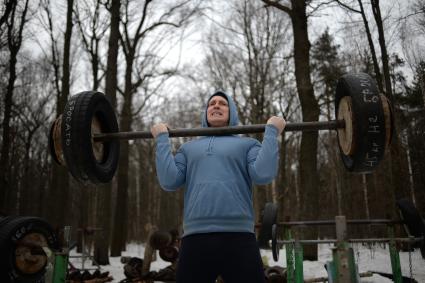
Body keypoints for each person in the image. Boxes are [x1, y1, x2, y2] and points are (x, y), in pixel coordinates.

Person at [151, 91, 285, 283]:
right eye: (211, 103)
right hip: (195, 238)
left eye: (222, 103)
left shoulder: (247, 144)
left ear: (232, 113)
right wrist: (162, 139)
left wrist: (271, 132)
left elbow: (263, 175)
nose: (216, 106)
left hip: (239, 237)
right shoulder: (187, 149)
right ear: (205, 113)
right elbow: (169, 181)